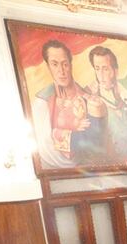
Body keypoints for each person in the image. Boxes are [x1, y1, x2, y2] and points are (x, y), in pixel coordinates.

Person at [31, 39, 106, 169]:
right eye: (55, 64)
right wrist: (75, 129)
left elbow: (97, 137)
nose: (61, 71)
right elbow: (45, 144)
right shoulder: (42, 102)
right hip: (58, 170)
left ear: (71, 64)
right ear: (48, 66)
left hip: (88, 166)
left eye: (65, 64)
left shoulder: (85, 95)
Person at [86, 46, 127, 163]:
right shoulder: (91, 97)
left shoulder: (125, 91)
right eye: (97, 69)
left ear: (115, 71)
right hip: (111, 160)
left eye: (105, 69)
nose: (101, 75)